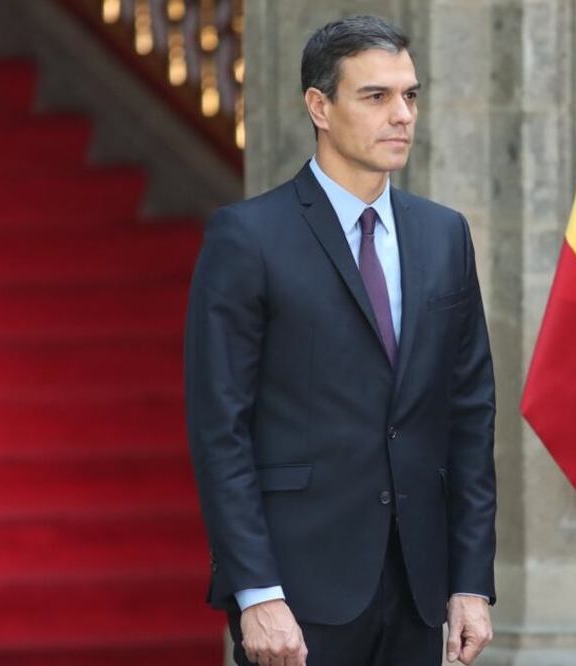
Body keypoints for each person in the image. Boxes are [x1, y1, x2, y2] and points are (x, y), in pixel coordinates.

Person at [184, 15, 496, 666]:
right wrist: (256, 591)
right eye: (375, 96)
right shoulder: (247, 237)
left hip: (417, 587)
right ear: (319, 107)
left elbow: (469, 416)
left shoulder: (444, 235)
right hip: (297, 592)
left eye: (409, 95)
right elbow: (221, 427)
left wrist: (469, 581)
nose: (401, 115)